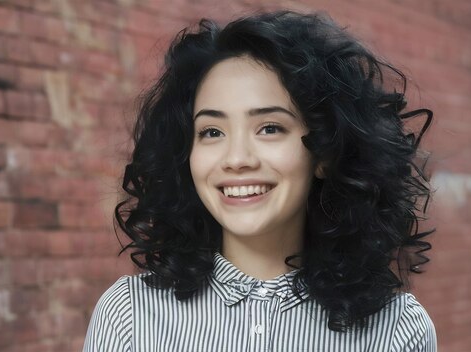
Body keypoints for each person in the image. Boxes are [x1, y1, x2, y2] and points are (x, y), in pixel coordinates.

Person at [83, 10, 437, 351]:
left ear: (324, 153)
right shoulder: (130, 315)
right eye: (211, 131)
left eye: (269, 128)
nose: (237, 159)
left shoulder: (396, 329)